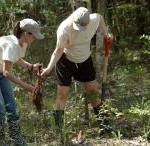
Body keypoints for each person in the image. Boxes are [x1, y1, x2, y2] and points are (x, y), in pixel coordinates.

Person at [40, 7, 113, 136]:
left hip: (85, 60)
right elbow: (58, 51)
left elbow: (100, 18)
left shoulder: (93, 19)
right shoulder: (64, 29)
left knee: (92, 91)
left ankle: (104, 125)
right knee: (62, 93)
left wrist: (106, 32)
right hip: (66, 60)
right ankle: (59, 131)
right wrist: (49, 69)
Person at [0, 18, 44, 146]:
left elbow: (16, 58)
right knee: (0, 107)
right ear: (26, 33)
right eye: (33, 36)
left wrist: (31, 66)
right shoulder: (11, 44)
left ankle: (16, 139)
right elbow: (7, 72)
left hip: (0, 72)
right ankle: (1, 141)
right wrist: (27, 87)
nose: (34, 39)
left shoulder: (22, 43)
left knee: (11, 105)